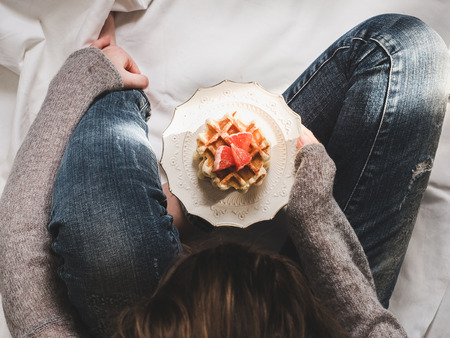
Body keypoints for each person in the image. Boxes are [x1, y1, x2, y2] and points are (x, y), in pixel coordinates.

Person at [0, 11, 448, 338]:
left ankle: (123, 90)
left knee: (106, 242)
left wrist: (90, 73)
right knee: (403, 52)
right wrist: (313, 207)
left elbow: (20, 247)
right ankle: (197, 204)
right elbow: (369, 324)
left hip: (147, 307)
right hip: (296, 314)